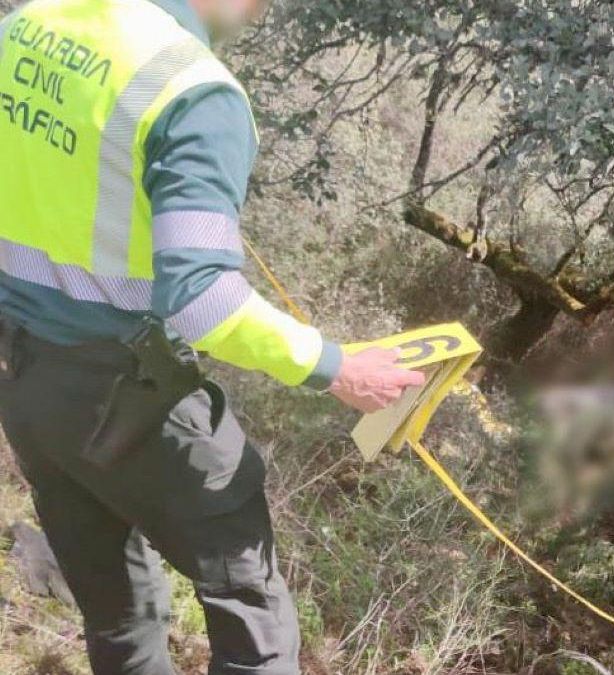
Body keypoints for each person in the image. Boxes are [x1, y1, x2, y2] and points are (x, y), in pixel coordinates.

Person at [0, 0, 425, 673]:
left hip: (27, 384)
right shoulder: (189, 90)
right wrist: (337, 368)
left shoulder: (29, 24)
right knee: (253, 617)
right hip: (134, 401)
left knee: (117, 615)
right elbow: (201, 298)